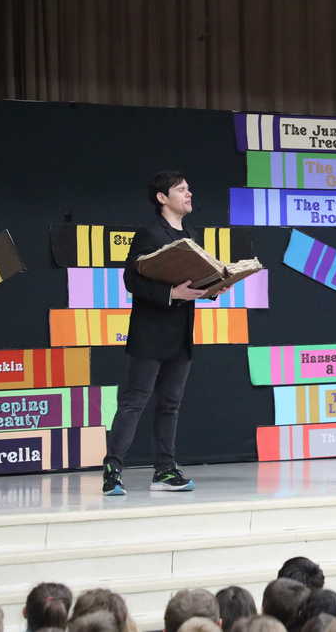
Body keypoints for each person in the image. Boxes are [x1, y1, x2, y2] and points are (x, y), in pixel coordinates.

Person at [102, 171, 207, 495]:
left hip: (180, 333)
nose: (189, 194)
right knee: (134, 402)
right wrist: (171, 294)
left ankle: (164, 470)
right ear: (162, 198)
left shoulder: (190, 233)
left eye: (189, 188)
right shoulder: (149, 234)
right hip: (150, 332)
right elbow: (132, 281)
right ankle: (112, 470)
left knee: (170, 405)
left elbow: (195, 280)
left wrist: (213, 285)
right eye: (181, 189)